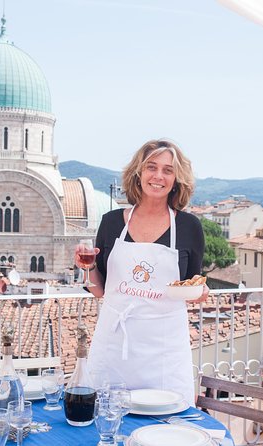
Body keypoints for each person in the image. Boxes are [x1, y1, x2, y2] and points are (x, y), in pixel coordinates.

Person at [74, 138, 208, 405]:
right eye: (151, 167)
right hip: (114, 346)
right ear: (138, 172)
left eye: (168, 170)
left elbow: (193, 286)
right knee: (107, 416)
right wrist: (87, 268)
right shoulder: (111, 222)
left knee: (167, 423)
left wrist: (200, 292)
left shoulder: (189, 227)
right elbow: (100, 290)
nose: (158, 176)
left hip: (164, 351)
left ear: (176, 179)